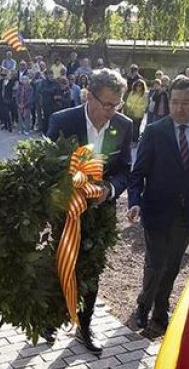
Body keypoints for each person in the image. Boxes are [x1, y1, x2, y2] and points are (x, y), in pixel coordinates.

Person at [45, 68, 133, 354]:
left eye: (116, 105)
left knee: (92, 272)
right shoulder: (62, 121)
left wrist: (110, 189)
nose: (110, 111)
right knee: (61, 265)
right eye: (106, 104)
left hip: (100, 214)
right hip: (66, 213)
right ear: (89, 96)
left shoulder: (124, 125)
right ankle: (52, 320)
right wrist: (68, 189)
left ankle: (85, 326)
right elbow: (46, 168)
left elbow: (124, 171)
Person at [127, 76, 189, 333]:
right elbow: (137, 174)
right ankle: (143, 306)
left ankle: (161, 308)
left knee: (173, 264)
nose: (179, 108)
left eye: (186, 103)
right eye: (175, 102)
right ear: (169, 101)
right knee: (156, 263)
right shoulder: (155, 132)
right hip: (156, 210)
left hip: (187, 213)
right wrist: (135, 203)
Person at [124, 78, 148, 144]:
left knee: (136, 128)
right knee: (129, 127)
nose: (138, 87)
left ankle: (135, 141)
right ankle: (129, 140)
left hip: (138, 114)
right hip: (130, 112)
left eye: (140, 86)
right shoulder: (132, 93)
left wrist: (135, 107)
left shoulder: (144, 94)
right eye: (137, 85)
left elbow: (144, 105)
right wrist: (130, 107)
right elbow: (128, 101)